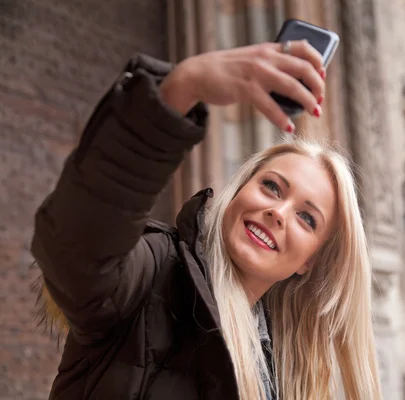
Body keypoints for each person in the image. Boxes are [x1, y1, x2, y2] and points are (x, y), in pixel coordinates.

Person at [31, 40, 382, 399]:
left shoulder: (282, 364)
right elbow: (77, 246)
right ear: (239, 190)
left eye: (307, 218)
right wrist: (182, 88)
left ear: (309, 261)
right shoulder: (154, 273)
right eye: (272, 187)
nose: (278, 212)